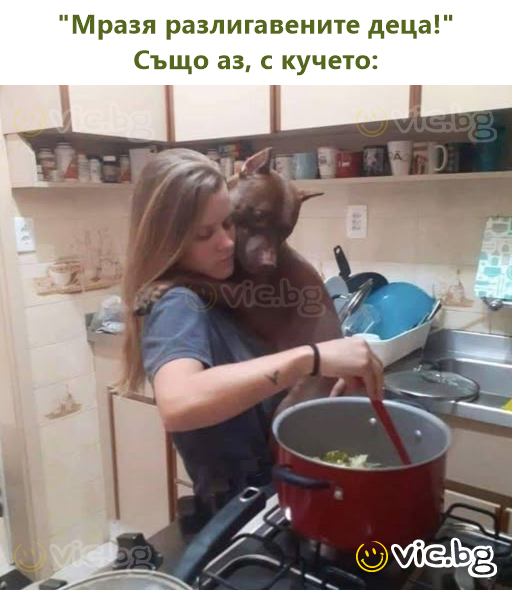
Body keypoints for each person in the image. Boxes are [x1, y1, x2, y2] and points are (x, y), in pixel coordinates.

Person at [118, 148, 384, 522]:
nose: (228, 242)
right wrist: (311, 358)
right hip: (242, 508)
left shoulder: (225, 277)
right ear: (168, 240)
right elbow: (178, 404)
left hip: (270, 499)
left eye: (229, 223)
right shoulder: (178, 301)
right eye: (204, 234)